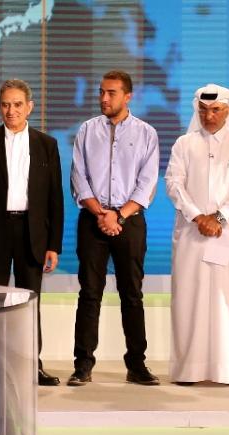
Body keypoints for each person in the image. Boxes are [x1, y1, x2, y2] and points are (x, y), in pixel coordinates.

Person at [0, 79, 65, 386]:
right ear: (0, 107)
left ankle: (32, 366)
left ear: (29, 107)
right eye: (6, 104)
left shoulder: (47, 145)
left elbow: (54, 200)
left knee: (29, 302)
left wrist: (53, 245)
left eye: (17, 104)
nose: (11, 111)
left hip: (32, 233)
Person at [68, 70, 159, 387]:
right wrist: (101, 214)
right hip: (92, 221)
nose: (104, 98)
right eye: (101, 92)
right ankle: (83, 365)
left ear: (128, 96)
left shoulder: (146, 133)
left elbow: (147, 184)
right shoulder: (86, 130)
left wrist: (118, 215)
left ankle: (137, 365)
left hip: (129, 223)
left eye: (111, 93)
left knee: (132, 295)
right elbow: (79, 178)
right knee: (89, 294)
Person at [165, 84, 229, 385]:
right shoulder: (184, 144)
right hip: (192, 235)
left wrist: (219, 217)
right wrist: (197, 216)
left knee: (227, 300)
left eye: (216, 109)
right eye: (203, 110)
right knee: (189, 299)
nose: (209, 115)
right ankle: (188, 369)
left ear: (228, 111)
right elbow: (173, 183)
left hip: (228, 235)